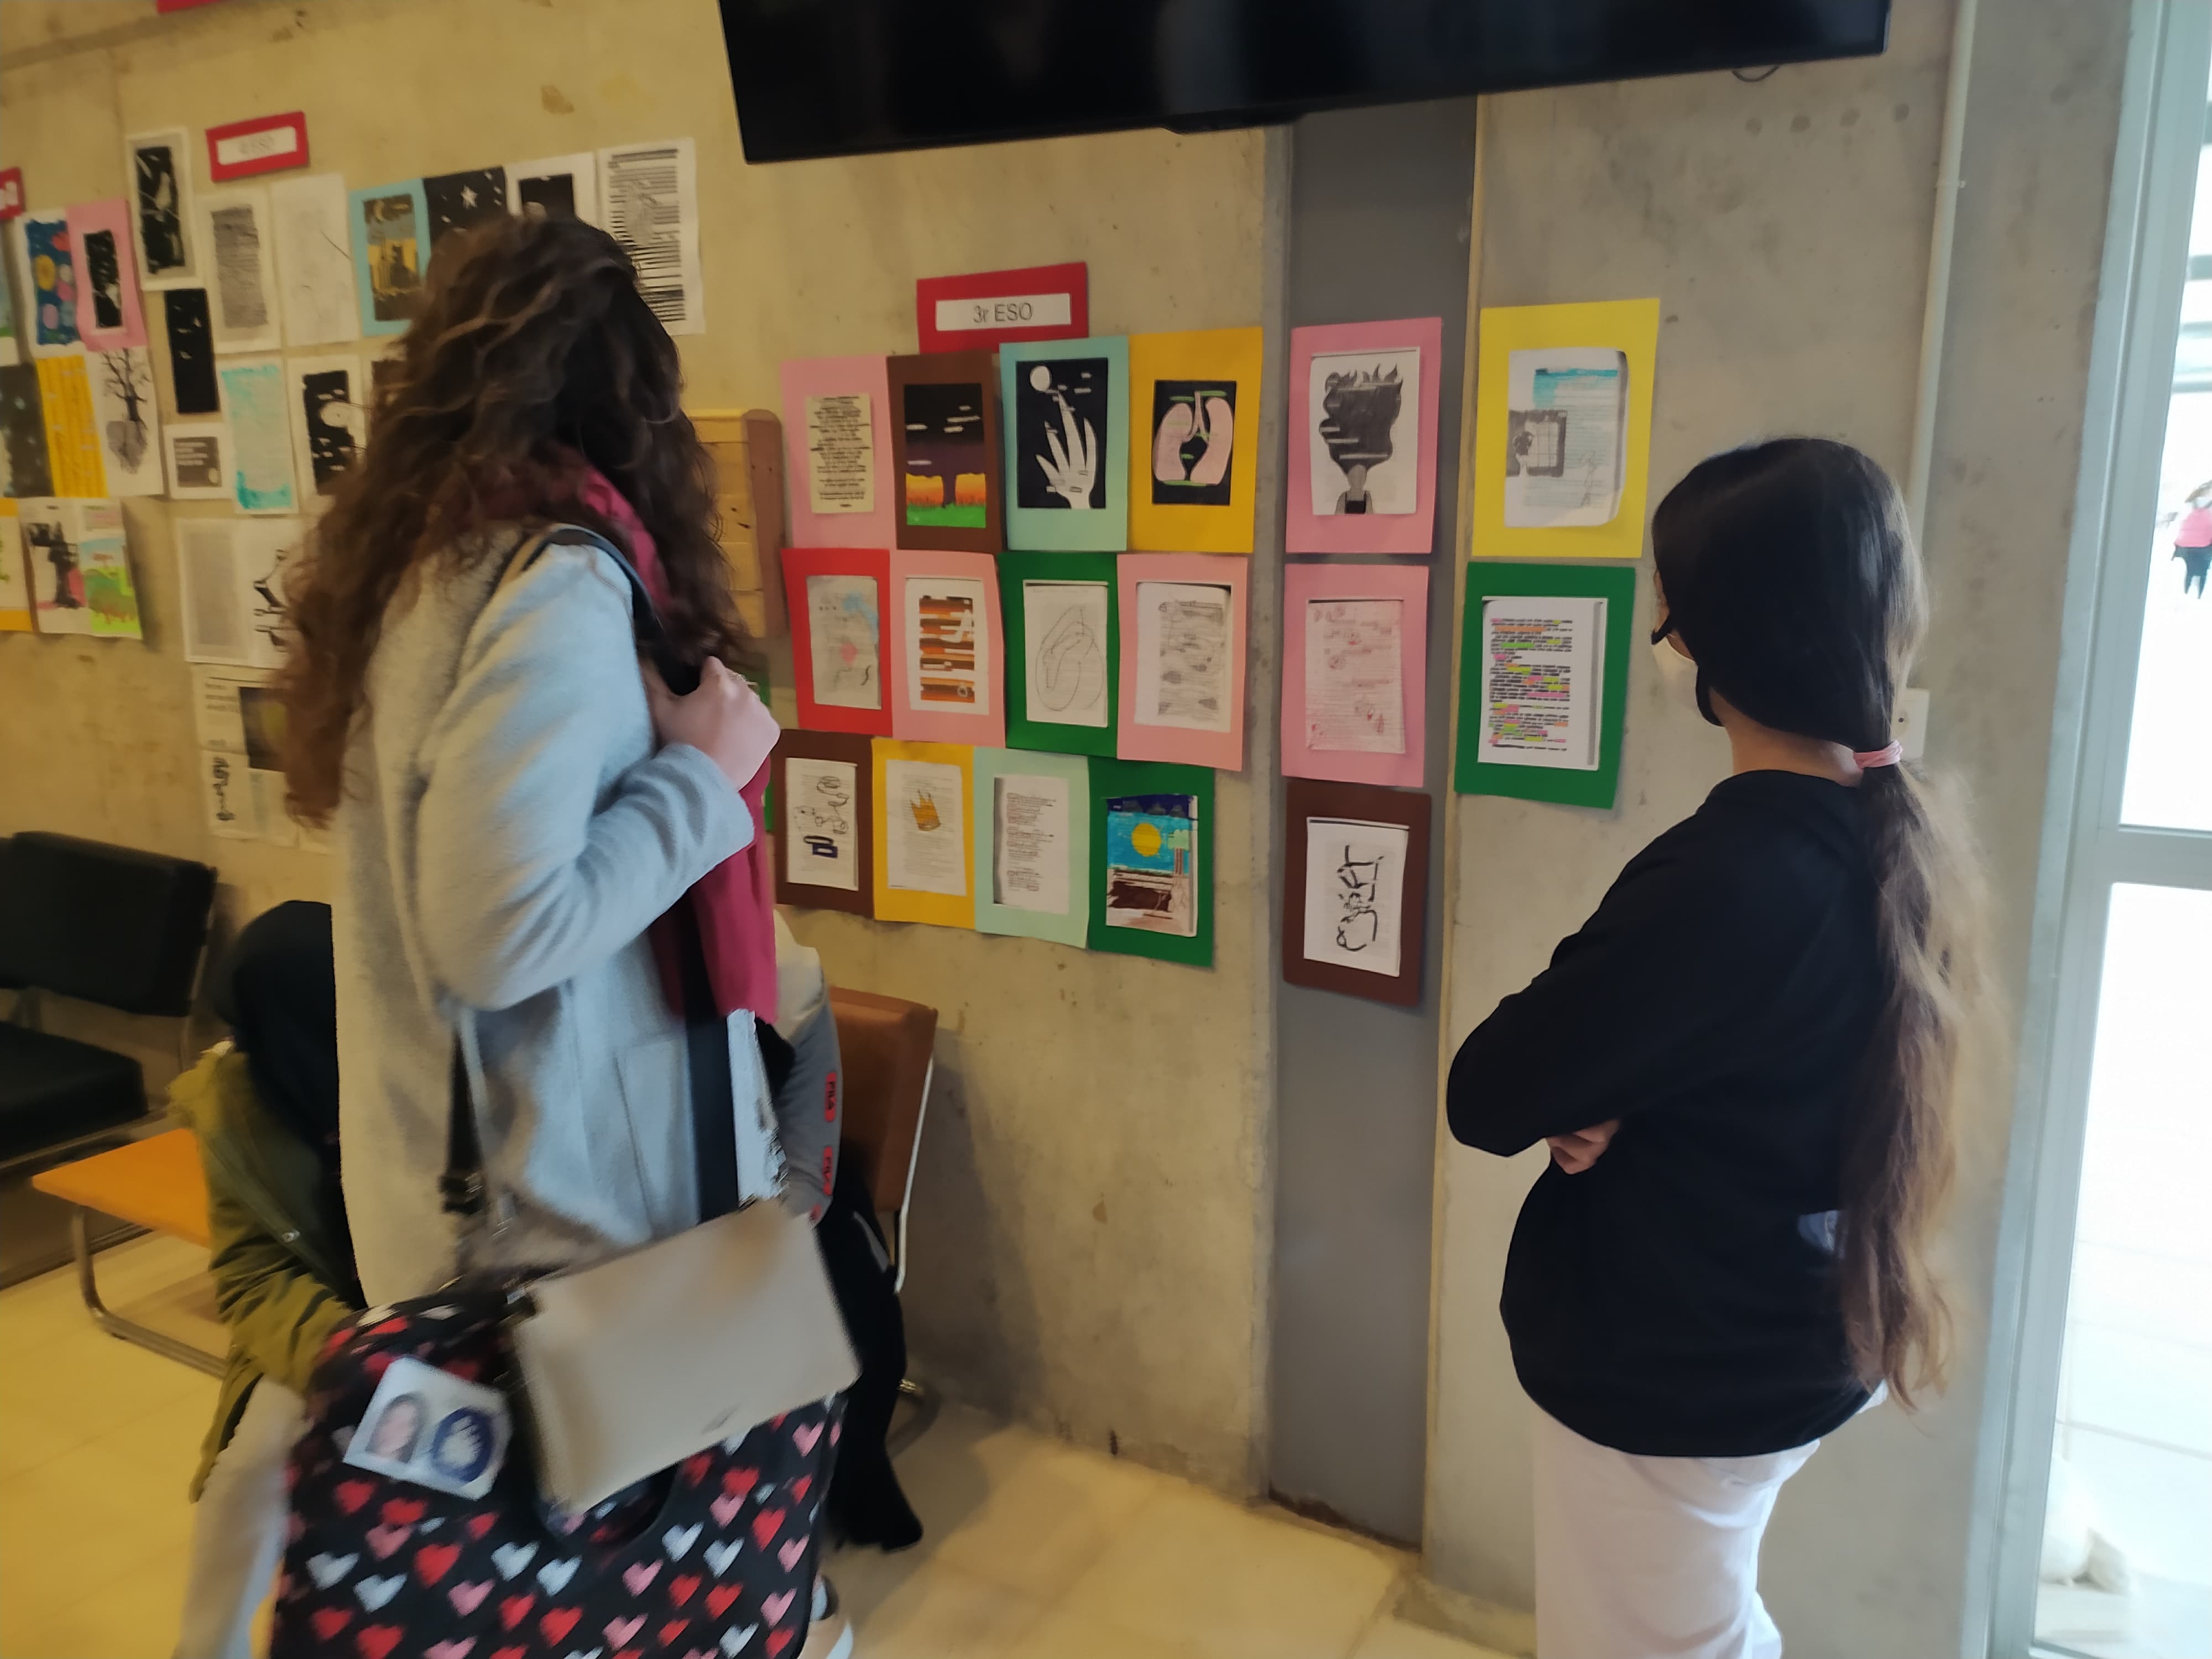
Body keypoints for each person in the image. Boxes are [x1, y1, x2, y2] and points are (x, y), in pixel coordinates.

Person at [275, 214, 851, 1655]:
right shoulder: (559, 583)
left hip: (484, 1206)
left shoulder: (426, 571)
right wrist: (704, 781)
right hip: (560, 1231)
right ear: (632, 394)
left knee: (544, 1605)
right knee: (643, 1598)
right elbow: (501, 930)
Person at [1446, 439, 1987, 1659]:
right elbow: (1760, 1055)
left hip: (1682, 1372)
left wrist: (1588, 1086)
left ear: (1707, 645)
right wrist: (1616, 1085)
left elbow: (1487, 1090)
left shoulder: (1729, 875)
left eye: (1670, 614)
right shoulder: (1893, 829)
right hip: (1801, 1325)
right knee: (1707, 1621)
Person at [173, 901, 362, 1659]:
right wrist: (346, 1353)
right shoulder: (236, 1098)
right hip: (330, 1328)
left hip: (452, 1319)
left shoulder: (428, 1070)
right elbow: (251, 1274)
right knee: (251, 1465)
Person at [763, 911, 924, 1552]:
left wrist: (730, 1261)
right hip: (680, 1224)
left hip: (792, 1213)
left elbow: (809, 1177)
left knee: (848, 1318)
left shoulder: (789, 980)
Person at [2170, 481, 2211, 598]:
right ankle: (2199, 597)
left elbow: (2180, 524)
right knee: (2203, 571)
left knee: (2190, 570)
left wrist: (2178, 543)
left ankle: (2186, 594)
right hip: (2204, 545)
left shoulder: (2190, 503)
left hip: (2187, 544)